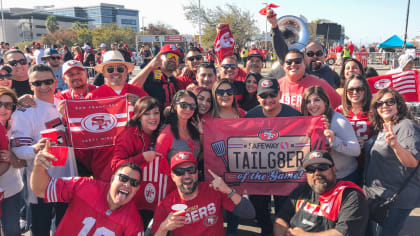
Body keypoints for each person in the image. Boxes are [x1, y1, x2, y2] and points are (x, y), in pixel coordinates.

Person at [10, 64, 78, 236]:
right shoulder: (24, 111)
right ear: (30, 85)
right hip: (42, 182)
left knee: (66, 228)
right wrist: (35, 149)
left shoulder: (63, 103)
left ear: (55, 82)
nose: (44, 87)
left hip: (68, 178)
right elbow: (18, 149)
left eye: (48, 81)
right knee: (40, 228)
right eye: (37, 83)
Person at [30, 147, 144, 235]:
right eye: (123, 178)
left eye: (134, 183)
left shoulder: (133, 221)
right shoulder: (84, 186)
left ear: (137, 189)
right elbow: (41, 190)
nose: (127, 184)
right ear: (113, 178)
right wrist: (38, 167)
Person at [151, 152, 255, 236]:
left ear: (197, 173)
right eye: (180, 172)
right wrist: (163, 228)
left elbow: (249, 213)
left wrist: (228, 191)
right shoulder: (165, 204)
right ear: (173, 177)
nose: (187, 176)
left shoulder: (213, 189)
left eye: (191, 170)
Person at [110, 96, 175, 230]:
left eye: (156, 113)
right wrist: (142, 158)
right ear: (139, 116)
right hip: (128, 195)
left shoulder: (158, 132)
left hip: (148, 193)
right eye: (147, 113)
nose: (153, 117)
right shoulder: (129, 135)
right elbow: (116, 165)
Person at [246, 78, 301, 235]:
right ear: (258, 98)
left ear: (280, 94)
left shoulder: (294, 114)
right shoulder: (251, 116)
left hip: (285, 173)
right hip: (259, 173)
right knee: (259, 209)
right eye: (264, 96)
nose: (268, 100)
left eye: (272, 95)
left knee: (284, 211)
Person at [363, 88, 420, 236]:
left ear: (398, 105)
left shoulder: (406, 125)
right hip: (378, 196)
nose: (385, 106)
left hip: (396, 199)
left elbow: (412, 162)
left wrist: (396, 145)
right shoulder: (383, 127)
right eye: (380, 103)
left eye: (390, 102)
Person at [273, 150, 368, 236]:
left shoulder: (349, 195)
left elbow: (343, 233)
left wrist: (304, 235)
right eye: (311, 169)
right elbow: (282, 218)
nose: (317, 173)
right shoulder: (301, 190)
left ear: (334, 169)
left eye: (322, 167)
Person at [301, 86, 360, 183]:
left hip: (344, 177)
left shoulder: (339, 121)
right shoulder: (303, 123)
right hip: (318, 179)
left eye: (317, 100)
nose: (313, 105)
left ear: (325, 102)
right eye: (308, 101)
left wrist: (334, 140)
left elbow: (356, 150)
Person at [0, 87, 24, 236]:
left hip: (11, 189)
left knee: (12, 230)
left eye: (9, 105)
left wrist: (13, 159)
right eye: (0, 104)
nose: (3, 109)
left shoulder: (19, 127)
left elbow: (26, 163)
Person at [337, 74, 372, 173]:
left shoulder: (374, 110)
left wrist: (367, 144)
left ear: (365, 90)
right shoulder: (339, 111)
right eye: (350, 90)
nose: (355, 92)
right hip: (346, 164)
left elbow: (381, 136)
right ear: (346, 92)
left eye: (359, 89)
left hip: (369, 162)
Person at [155, 90, 201, 163]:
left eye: (192, 106)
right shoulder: (166, 133)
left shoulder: (195, 128)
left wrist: (202, 134)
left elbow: (200, 157)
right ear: (175, 106)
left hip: (193, 173)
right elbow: (158, 162)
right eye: (184, 105)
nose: (188, 109)